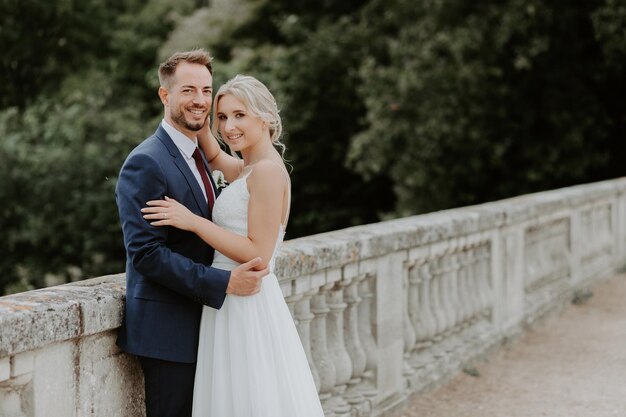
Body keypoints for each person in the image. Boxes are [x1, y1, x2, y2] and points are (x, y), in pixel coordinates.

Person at [141, 74, 325, 416]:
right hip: (226, 300)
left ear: (265, 117)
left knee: (248, 399)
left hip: (246, 302)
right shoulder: (247, 168)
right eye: (222, 116)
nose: (228, 127)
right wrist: (195, 104)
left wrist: (193, 221)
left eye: (239, 115)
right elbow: (211, 151)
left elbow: (259, 252)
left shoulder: (268, 172)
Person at [115, 50, 268, 417]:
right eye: (188, 90)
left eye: (205, 90)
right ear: (165, 96)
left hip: (210, 327)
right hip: (169, 334)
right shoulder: (146, 161)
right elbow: (147, 255)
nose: (199, 100)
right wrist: (224, 282)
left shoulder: (199, 152)